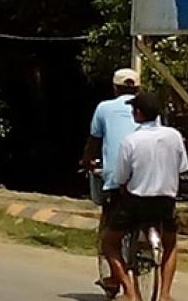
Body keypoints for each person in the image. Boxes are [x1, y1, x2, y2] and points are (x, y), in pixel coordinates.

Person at [103, 93, 188, 301]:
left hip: (136, 202)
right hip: (166, 201)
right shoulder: (174, 136)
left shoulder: (131, 141)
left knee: (109, 242)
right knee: (170, 244)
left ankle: (129, 292)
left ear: (139, 113)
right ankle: (165, 294)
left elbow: (121, 177)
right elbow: (182, 167)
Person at [81, 68, 140, 295]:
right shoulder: (150, 109)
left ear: (115, 88)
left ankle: (115, 279)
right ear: (138, 88)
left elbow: (94, 140)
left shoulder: (104, 108)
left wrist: (87, 161)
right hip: (149, 178)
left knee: (110, 224)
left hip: (118, 180)